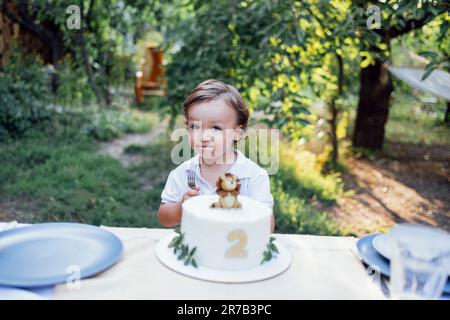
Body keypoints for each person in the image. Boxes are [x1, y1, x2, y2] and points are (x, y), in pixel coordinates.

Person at [158, 79, 275, 232]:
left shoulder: (253, 176)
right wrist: (181, 208)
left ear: (237, 134)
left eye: (216, 128)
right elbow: (164, 218)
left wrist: (242, 207)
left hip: (236, 250)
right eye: (195, 126)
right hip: (195, 249)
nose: (204, 136)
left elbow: (268, 227)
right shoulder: (183, 173)